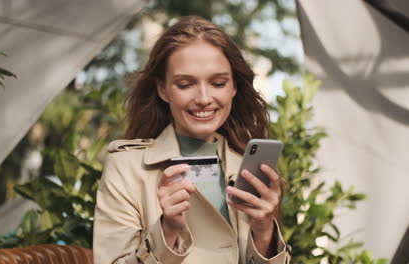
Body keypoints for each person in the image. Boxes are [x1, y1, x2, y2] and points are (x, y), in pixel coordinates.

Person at [93, 16, 291, 264]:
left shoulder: (246, 168)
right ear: (163, 90)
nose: (204, 98)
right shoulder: (127, 168)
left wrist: (264, 233)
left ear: (234, 88)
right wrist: (167, 231)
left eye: (218, 83)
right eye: (185, 84)